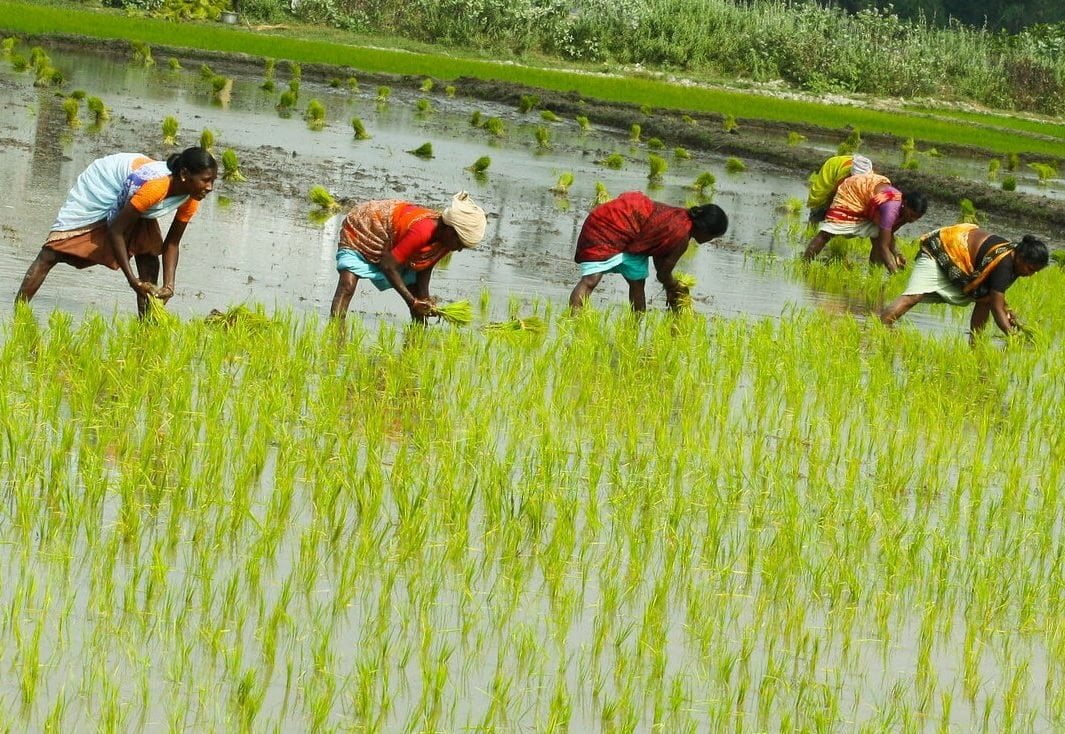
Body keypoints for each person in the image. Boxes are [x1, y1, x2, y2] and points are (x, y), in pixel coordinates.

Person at [16, 147, 217, 315]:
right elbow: (115, 231)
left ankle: (148, 324)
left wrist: (169, 286)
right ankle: (19, 312)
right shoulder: (156, 188)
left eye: (213, 181)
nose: (209, 188)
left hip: (136, 195)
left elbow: (172, 243)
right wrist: (132, 280)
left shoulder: (191, 197)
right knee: (52, 252)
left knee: (148, 254)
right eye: (206, 180)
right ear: (184, 175)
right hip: (107, 181)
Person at [329, 191, 487, 321]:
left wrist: (424, 299)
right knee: (347, 286)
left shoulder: (445, 241)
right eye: (460, 244)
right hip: (366, 226)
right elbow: (387, 266)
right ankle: (336, 330)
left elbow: (425, 267)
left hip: (395, 241)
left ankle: (418, 337)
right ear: (451, 231)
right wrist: (412, 302)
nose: (458, 250)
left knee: (419, 302)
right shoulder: (423, 231)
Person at [881, 223, 1049, 340]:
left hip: (958, 258)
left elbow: (995, 298)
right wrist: (1013, 337)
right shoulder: (1005, 264)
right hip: (940, 249)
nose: (1031, 274)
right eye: (1030, 269)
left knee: (985, 299)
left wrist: (1019, 324)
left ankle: (976, 344)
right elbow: (997, 308)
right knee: (914, 296)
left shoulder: (1013, 259)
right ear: (1020, 257)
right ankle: (879, 326)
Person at [569, 191, 728, 312]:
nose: (710, 241)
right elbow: (663, 274)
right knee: (591, 279)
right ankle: (573, 325)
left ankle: (634, 329)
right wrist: (676, 286)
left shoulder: (680, 219)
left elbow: (661, 261)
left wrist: (671, 288)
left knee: (637, 282)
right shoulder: (681, 236)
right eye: (712, 237)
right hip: (611, 224)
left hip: (632, 232)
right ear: (705, 230)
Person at [802, 172, 927, 274]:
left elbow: (887, 236)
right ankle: (804, 264)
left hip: (871, 200)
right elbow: (884, 246)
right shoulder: (891, 209)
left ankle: (873, 275)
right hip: (855, 192)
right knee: (827, 233)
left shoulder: (904, 214)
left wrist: (897, 254)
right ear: (904, 203)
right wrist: (895, 274)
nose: (912, 220)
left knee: (879, 238)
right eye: (911, 215)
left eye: (916, 218)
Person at [807, 153, 873, 222]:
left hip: (844, 164)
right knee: (819, 207)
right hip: (831, 168)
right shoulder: (844, 177)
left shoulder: (869, 175)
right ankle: (813, 224)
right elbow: (833, 194)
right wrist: (829, 209)